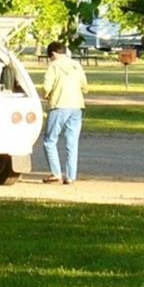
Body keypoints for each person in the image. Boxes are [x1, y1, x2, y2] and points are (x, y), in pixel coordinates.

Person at [41, 41, 88, 185]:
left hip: (59, 105)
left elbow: (46, 87)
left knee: (49, 141)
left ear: (53, 54)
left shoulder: (54, 66)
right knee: (72, 143)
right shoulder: (76, 65)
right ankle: (70, 176)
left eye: (50, 57)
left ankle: (56, 173)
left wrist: (46, 95)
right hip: (76, 107)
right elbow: (85, 87)